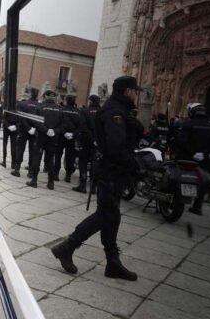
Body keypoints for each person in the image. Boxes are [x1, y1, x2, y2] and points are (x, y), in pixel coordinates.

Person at [50, 75, 141, 281]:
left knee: (112, 215)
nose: (136, 95)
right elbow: (116, 147)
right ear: (128, 91)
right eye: (135, 91)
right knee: (106, 215)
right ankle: (67, 246)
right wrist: (135, 166)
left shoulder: (119, 109)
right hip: (111, 170)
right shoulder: (114, 111)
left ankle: (112, 263)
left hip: (114, 171)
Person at [179, 103, 210, 215]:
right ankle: (197, 206)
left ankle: (178, 200)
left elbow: (183, 141)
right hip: (203, 160)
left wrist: (193, 153)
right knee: (203, 180)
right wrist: (204, 154)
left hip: (187, 157)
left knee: (182, 176)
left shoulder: (188, 123)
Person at [27, 90, 63, 189]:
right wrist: (54, 131)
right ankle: (51, 182)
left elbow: (36, 122)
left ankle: (34, 180)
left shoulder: (40, 107)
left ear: (45, 96)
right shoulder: (60, 109)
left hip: (41, 137)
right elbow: (62, 125)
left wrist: (45, 130)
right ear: (54, 97)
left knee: (37, 158)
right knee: (50, 159)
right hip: (53, 138)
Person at [73, 95, 100, 193]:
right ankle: (93, 187)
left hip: (86, 141)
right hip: (99, 143)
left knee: (83, 163)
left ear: (90, 101)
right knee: (95, 163)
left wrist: (92, 139)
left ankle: (83, 185)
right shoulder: (103, 112)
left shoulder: (85, 111)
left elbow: (83, 127)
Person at [16, 88, 39, 176]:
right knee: (32, 151)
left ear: (30, 94)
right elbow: (40, 120)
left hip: (23, 130)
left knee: (20, 149)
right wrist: (33, 128)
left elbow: (21, 118)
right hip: (34, 131)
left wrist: (28, 128)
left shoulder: (23, 103)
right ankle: (30, 172)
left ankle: (17, 169)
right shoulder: (39, 105)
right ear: (37, 95)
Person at [61, 95, 81, 183]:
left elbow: (59, 122)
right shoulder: (78, 112)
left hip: (62, 136)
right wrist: (73, 134)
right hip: (72, 137)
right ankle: (68, 175)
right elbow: (80, 126)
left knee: (58, 154)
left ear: (66, 101)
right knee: (70, 156)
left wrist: (64, 132)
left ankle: (55, 174)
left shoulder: (61, 110)